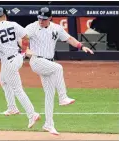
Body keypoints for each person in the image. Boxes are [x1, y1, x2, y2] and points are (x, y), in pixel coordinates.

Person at [25, 7, 94, 135]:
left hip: (48, 62)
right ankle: (63, 97)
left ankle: (49, 124)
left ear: (50, 18)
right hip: (37, 61)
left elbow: (69, 39)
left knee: (49, 94)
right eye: (39, 18)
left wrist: (82, 46)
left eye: (44, 19)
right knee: (59, 67)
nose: (41, 21)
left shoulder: (56, 28)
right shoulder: (31, 27)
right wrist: (24, 50)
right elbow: (22, 39)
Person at [0, 7, 40, 128]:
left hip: (9, 62)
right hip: (17, 58)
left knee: (17, 89)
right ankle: (12, 108)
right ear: (4, 15)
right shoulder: (13, 24)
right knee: (3, 80)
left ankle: (32, 114)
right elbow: (26, 36)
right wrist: (24, 50)